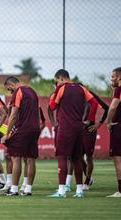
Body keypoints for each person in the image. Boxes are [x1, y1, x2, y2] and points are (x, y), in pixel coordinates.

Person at [48, 69, 94, 198]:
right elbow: (93, 103)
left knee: (62, 157)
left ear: (61, 78)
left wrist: (55, 95)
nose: (57, 83)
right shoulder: (81, 88)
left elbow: (52, 106)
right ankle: (79, 191)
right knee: (76, 158)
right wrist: (88, 119)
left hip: (65, 128)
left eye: (57, 80)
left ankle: (61, 191)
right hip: (79, 128)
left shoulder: (61, 88)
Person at [1, 77, 41, 196]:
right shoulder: (32, 91)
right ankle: (28, 188)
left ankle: (14, 189)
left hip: (23, 128)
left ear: (11, 85)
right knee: (30, 159)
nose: (10, 92)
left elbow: (13, 116)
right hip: (35, 129)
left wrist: (7, 134)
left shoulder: (18, 91)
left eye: (9, 89)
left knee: (15, 157)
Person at [106, 67, 121, 197]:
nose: (111, 79)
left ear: (119, 77)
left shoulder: (120, 89)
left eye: (113, 76)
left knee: (118, 159)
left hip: (119, 128)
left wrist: (108, 122)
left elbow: (113, 106)